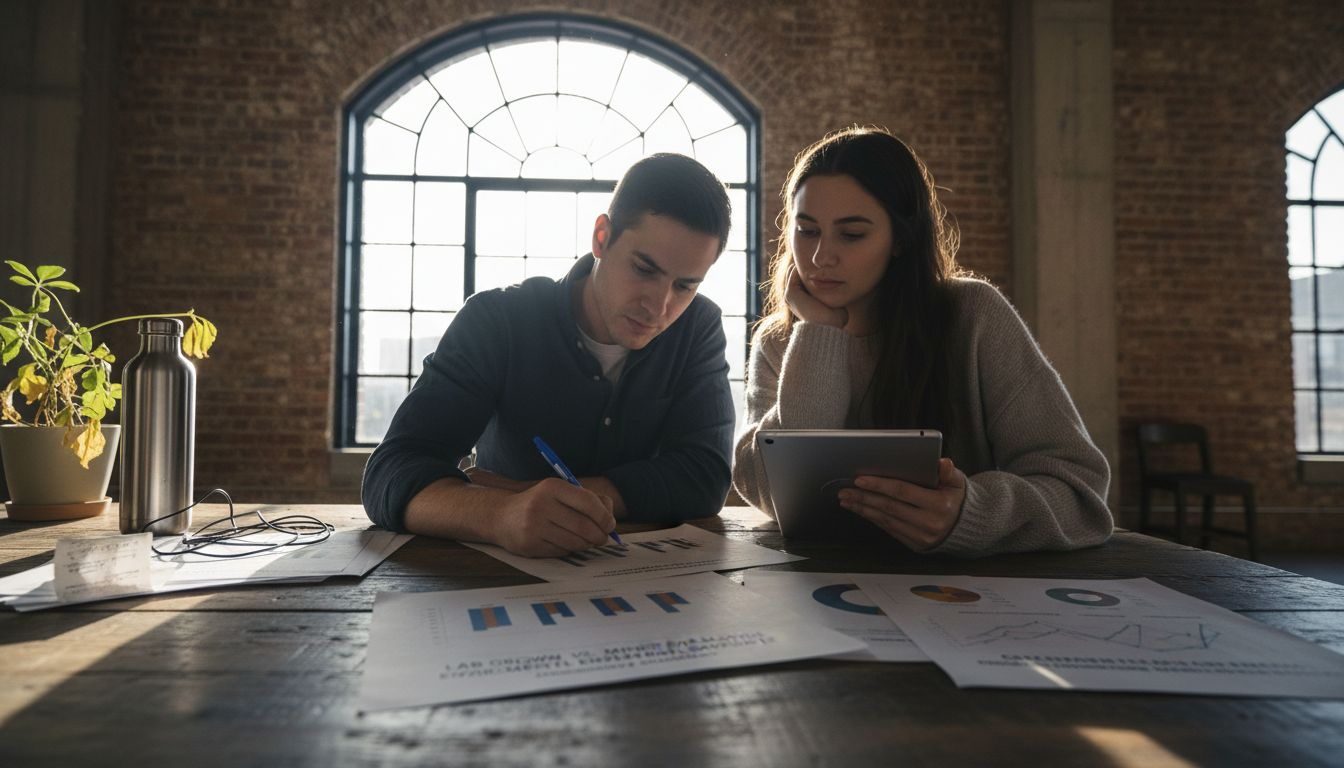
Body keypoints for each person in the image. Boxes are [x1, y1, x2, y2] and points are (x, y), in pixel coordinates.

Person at [732, 127, 1112, 556]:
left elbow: (1079, 492)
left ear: (901, 239)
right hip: (817, 588)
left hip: (969, 594)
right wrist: (818, 332)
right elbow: (767, 488)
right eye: (807, 230)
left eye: (851, 234)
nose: (821, 257)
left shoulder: (973, 315)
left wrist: (971, 513)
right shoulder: (782, 340)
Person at [363, 154, 736, 557]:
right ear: (601, 238)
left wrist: (528, 492)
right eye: (645, 269)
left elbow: (705, 477)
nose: (660, 306)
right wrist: (498, 514)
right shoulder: (498, 321)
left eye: (685, 286)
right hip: (499, 583)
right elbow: (391, 471)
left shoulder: (698, 326)